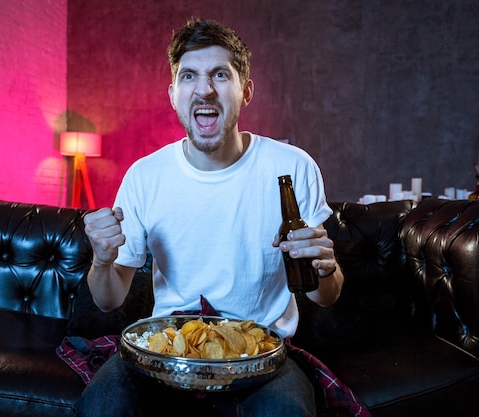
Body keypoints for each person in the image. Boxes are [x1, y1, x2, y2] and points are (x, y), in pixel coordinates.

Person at [75, 18, 344, 417]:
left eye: (220, 74)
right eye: (189, 76)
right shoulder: (144, 176)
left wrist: (324, 267)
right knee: (102, 407)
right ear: (173, 94)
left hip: (261, 355)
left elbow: (328, 294)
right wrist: (101, 260)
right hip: (166, 350)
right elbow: (108, 298)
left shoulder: (293, 168)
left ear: (246, 91)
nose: (204, 89)